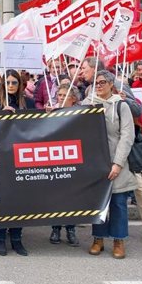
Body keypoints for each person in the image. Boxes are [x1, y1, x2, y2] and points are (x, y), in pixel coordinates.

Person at [83, 70, 136, 259]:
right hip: (95, 163)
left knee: (118, 203)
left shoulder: (121, 106)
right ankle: (98, 238)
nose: (98, 85)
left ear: (111, 84)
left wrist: (118, 163)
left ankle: (118, 240)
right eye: (96, 82)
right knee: (100, 203)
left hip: (116, 162)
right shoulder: (87, 104)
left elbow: (127, 136)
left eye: (102, 82)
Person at [0, 69, 30, 256]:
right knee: (3, 200)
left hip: (21, 158)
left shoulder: (28, 103)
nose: (11, 86)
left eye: (14, 82)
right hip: (0, 159)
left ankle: (17, 238)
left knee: (20, 201)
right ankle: (0, 238)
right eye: (7, 82)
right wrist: (0, 114)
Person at [46, 84, 81, 247]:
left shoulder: (81, 113)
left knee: (72, 198)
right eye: (59, 95)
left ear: (73, 98)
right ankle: (56, 228)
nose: (60, 98)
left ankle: (71, 229)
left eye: (64, 95)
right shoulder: (52, 112)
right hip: (56, 161)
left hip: (73, 160)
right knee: (56, 197)